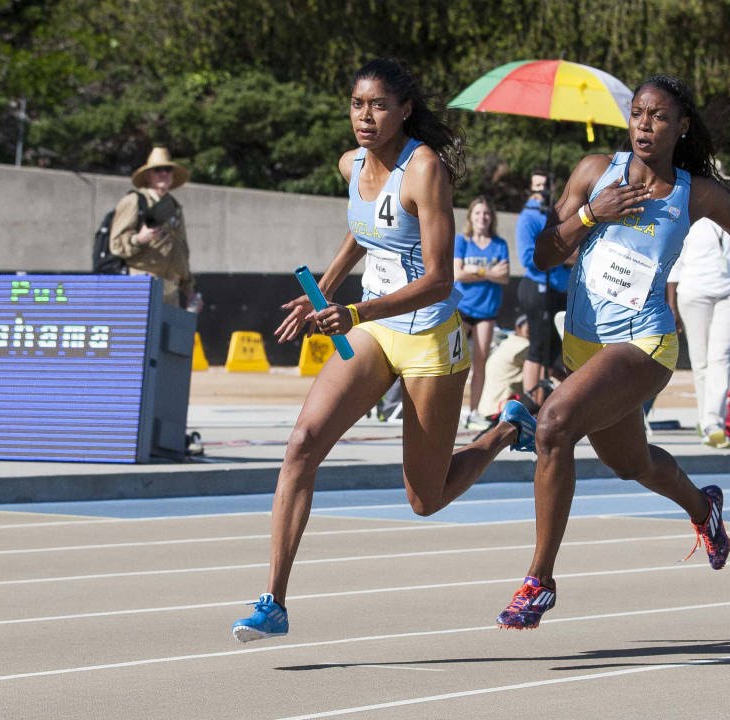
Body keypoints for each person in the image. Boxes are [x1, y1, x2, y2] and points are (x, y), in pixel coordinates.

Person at [230, 58, 537, 643]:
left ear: (403, 111)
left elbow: (442, 280)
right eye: (356, 104)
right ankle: (273, 600)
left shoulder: (426, 172)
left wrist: (354, 311)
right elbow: (362, 227)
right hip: (372, 327)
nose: (364, 117)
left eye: (377, 106)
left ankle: (503, 430)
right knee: (302, 444)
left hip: (427, 337)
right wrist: (321, 290)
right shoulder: (350, 164)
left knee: (425, 499)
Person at [494, 74, 730, 630]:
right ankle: (704, 508)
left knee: (554, 424)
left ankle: (539, 581)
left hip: (645, 342)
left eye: (658, 116)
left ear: (681, 127)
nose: (645, 125)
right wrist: (591, 215)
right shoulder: (593, 173)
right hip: (585, 346)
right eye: (638, 114)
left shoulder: (692, 191)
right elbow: (542, 255)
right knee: (633, 464)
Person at [665, 208, 730, 448]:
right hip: (693, 294)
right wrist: (671, 306)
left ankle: (714, 424)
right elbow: (676, 262)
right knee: (701, 362)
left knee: (721, 358)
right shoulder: (688, 213)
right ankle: (706, 420)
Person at [109, 146, 201, 310]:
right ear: (148, 175)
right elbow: (116, 244)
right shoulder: (134, 201)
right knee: (142, 335)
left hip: (170, 289)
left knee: (166, 335)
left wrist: (189, 290)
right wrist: (138, 239)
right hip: (141, 285)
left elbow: (182, 249)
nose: (164, 174)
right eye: (158, 170)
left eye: (168, 170)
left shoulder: (175, 207)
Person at [453, 196, 510, 429]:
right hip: (462, 307)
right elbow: (458, 273)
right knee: (453, 360)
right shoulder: (462, 241)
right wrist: (488, 271)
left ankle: (474, 411)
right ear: (470, 217)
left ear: (491, 217)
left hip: (486, 310)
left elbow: (504, 277)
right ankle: (450, 410)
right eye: (477, 213)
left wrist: (474, 270)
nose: (482, 217)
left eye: (486, 213)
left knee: (480, 360)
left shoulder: (499, 244)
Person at [515, 169, 569, 404]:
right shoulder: (529, 216)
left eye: (545, 186)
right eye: (537, 186)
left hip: (560, 289)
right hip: (537, 288)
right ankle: (531, 402)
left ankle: (559, 398)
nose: (541, 191)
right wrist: (563, 257)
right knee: (538, 347)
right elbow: (529, 258)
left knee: (556, 354)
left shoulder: (555, 213)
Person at [476, 314, 531, 419]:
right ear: (518, 328)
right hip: (501, 409)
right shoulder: (523, 345)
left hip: (486, 408)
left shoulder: (507, 342)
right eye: (530, 327)